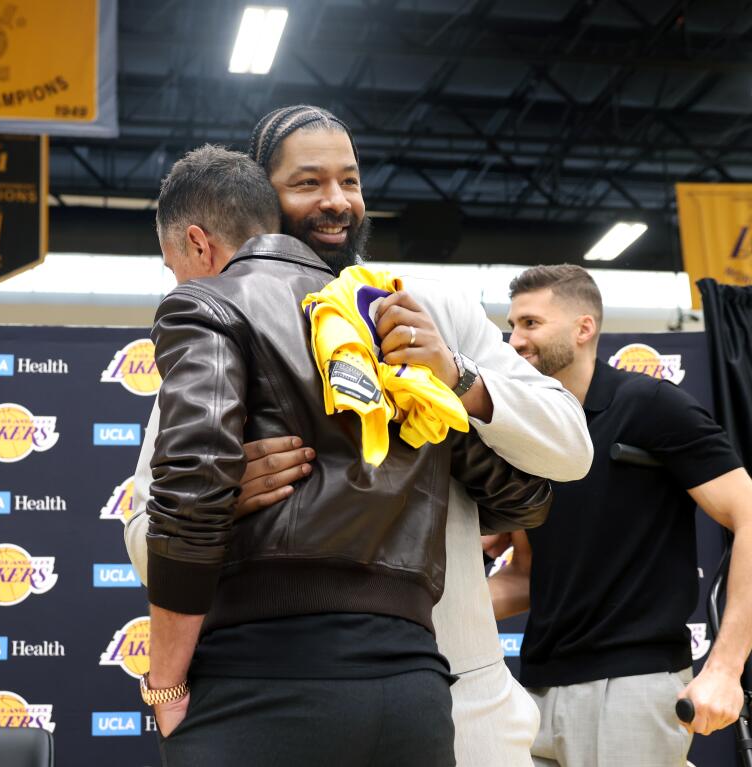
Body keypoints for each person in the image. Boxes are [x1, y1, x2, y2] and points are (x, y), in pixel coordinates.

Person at [126, 105, 594, 766]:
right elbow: (158, 527)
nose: (337, 201)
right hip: (298, 684)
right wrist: (224, 495)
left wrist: (454, 374)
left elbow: (569, 450)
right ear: (263, 196)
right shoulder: (222, 320)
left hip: (458, 699)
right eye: (308, 183)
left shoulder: (424, 308)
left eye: (350, 180)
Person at [486, 264, 752, 766]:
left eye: (530, 324)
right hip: (535, 690)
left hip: (629, 687)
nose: (514, 340)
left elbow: (749, 515)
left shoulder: (649, 404)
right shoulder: (524, 433)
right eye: (512, 325)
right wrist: (419, 612)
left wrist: (726, 667)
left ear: (583, 329)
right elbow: (525, 577)